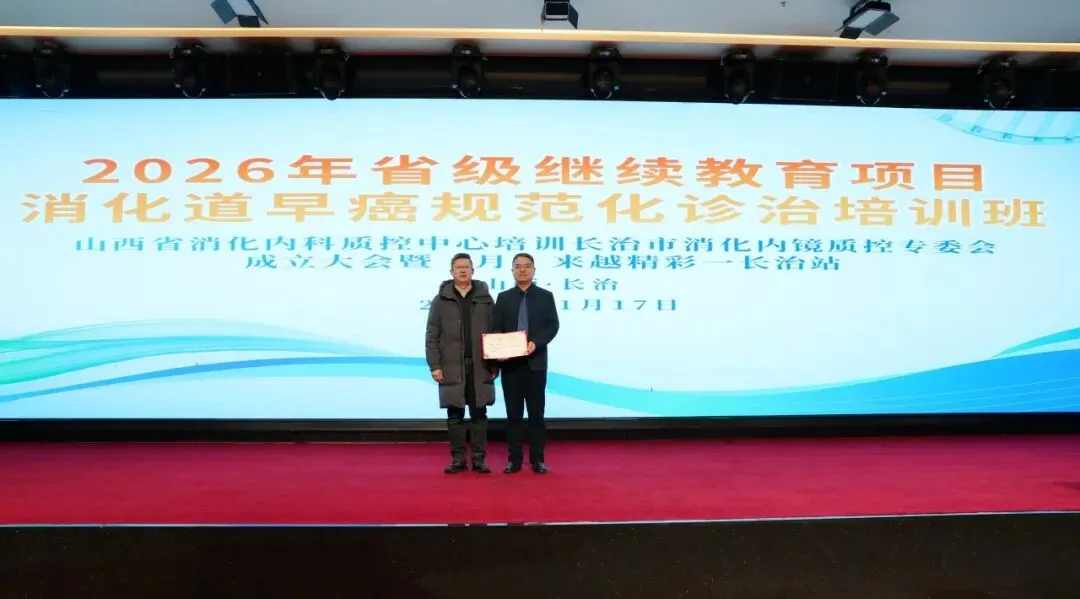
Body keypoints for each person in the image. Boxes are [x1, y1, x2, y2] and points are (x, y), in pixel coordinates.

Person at [425, 253, 499, 474]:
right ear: (452, 272)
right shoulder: (440, 300)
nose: (463, 270)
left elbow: (495, 333)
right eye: (458, 267)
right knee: (454, 415)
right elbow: (432, 335)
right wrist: (435, 365)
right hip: (451, 365)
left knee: (479, 414)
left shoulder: (485, 299)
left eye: (466, 266)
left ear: (473, 270)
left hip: (480, 366)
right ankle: (458, 459)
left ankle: (478, 459)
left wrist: (495, 362)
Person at [492, 252, 559, 474]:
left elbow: (553, 326)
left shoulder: (545, 296)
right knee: (513, 415)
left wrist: (536, 343)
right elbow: (496, 328)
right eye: (518, 266)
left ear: (534, 270)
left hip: (535, 364)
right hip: (510, 365)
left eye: (526, 266)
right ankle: (514, 460)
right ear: (512, 270)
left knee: (536, 415)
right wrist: (498, 350)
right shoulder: (503, 298)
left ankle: (538, 459)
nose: (522, 270)